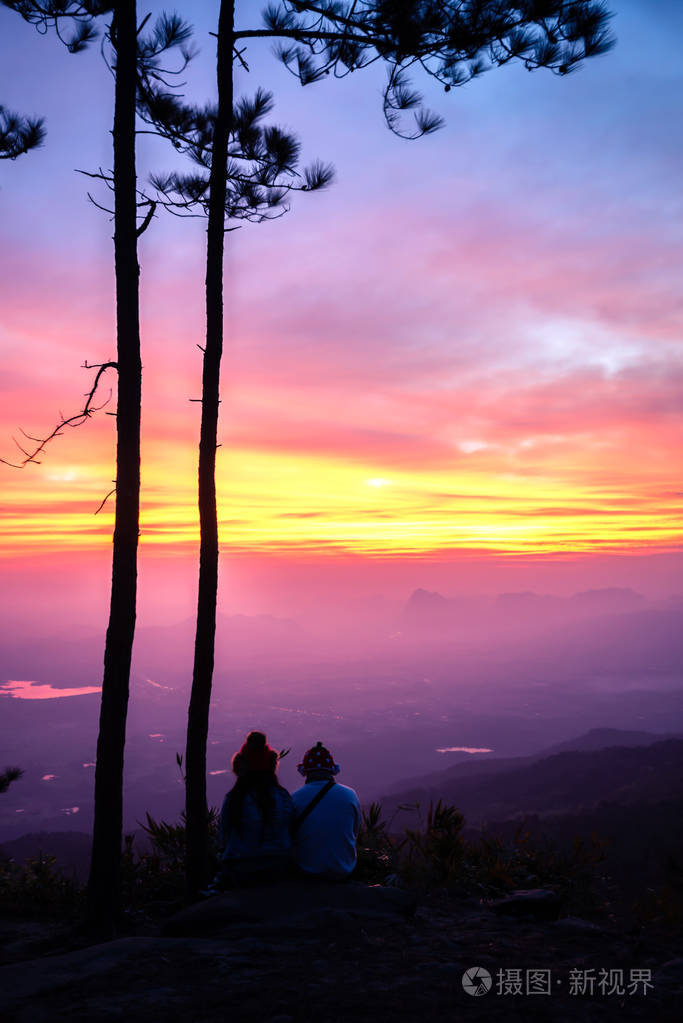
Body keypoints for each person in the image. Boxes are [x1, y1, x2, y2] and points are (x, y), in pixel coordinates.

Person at [217, 730, 294, 886]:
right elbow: (290, 831)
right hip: (278, 868)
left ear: (239, 767)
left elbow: (224, 838)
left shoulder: (234, 799)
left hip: (242, 870)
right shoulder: (282, 797)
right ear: (272, 765)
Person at [291, 741, 361, 880]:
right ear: (332, 770)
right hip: (344, 871)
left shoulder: (294, 799)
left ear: (305, 771)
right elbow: (354, 832)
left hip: (307, 872)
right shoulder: (350, 795)